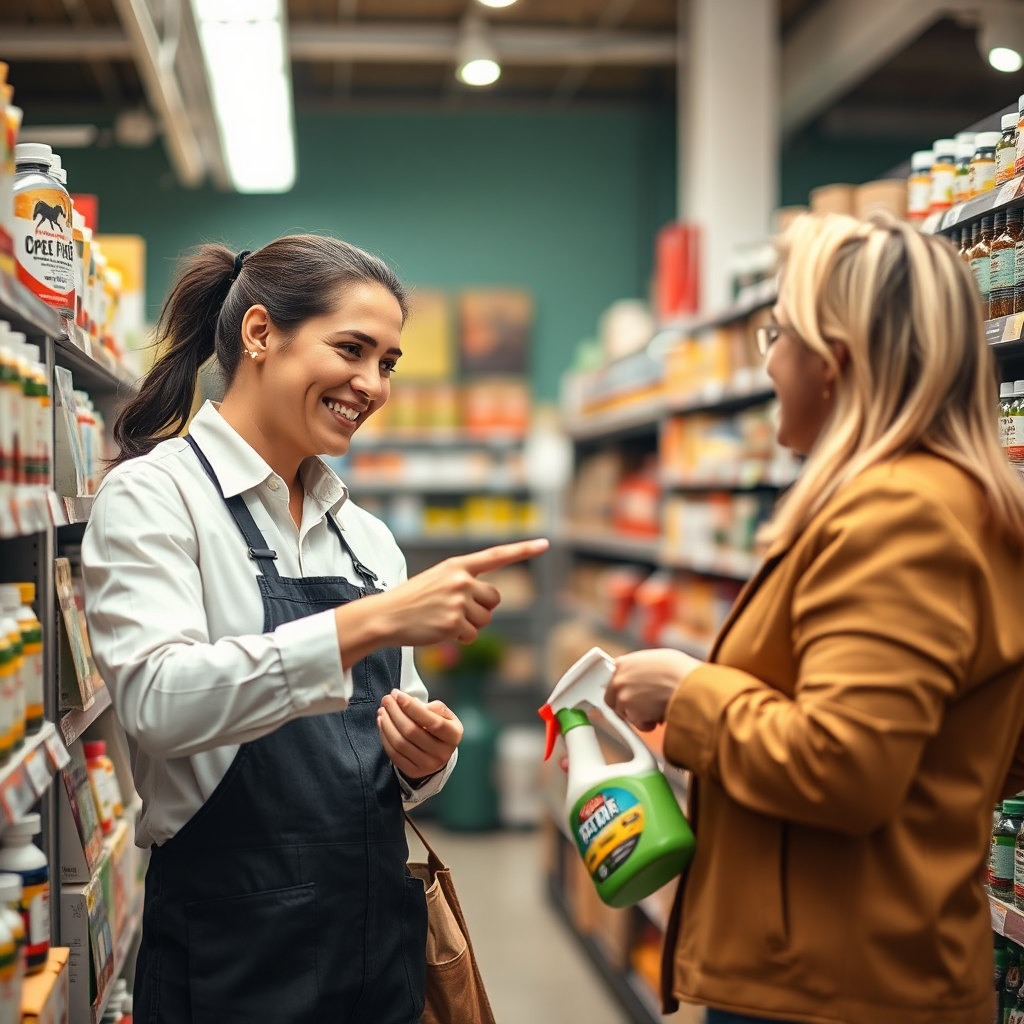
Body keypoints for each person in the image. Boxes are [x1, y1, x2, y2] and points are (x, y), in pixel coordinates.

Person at [81, 235, 547, 1024]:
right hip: (231, 961)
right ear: (260, 334)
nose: (372, 385)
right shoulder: (154, 498)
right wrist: (366, 622)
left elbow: (393, 746)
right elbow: (158, 703)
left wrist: (424, 756)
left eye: (389, 363)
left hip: (374, 954)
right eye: (352, 349)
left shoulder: (366, 539)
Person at [605, 213, 1024, 1024]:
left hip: (838, 990)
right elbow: (991, 757)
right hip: (868, 963)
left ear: (834, 363)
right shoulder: (962, 505)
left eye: (777, 332)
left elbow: (845, 765)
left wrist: (688, 691)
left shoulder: (898, 516)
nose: (767, 359)